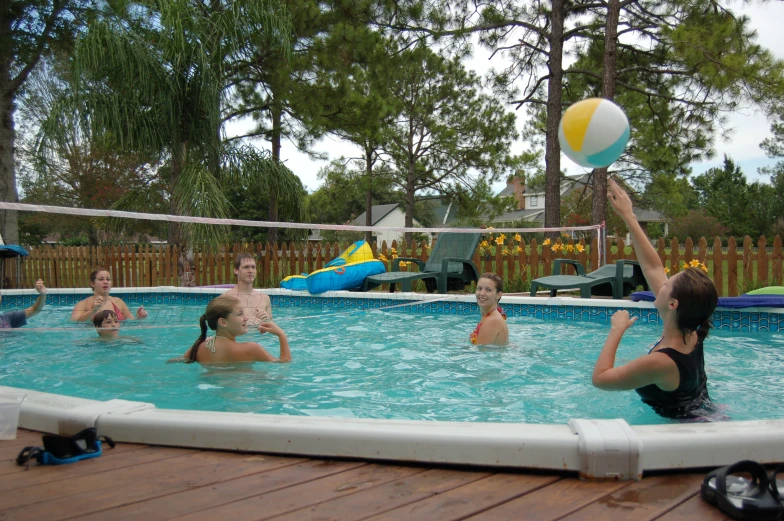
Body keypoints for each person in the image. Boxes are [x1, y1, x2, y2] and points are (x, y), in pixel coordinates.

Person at [592, 179, 718, 419]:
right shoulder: (693, 329)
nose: (661, 283)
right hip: (707, 414)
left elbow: (601, 379)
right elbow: (653, 266)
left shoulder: (662, 361)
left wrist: (617, 330)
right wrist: (629, 216)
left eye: (667, 284)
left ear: (673, 304)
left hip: (685, 432)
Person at [181, 295, 291, 364]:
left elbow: (181, 359)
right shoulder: (251, 349)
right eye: (240, 314)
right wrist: (281, 335)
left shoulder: (199, 347)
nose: (246, 318)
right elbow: (284, 364)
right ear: (223, 322)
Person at [71, 268, 148, 322]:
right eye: (101, 279)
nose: (105, 282)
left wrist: (139, 318)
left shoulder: (118, 302)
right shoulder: (83, 304)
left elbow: (131, 322)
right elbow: (74, 322)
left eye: (108, 279)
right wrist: (93, 311)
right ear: (92, 283)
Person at [223, 253, 272, 327]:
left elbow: (271, 327)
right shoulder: (226, 298)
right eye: (246, 267)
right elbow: (221, 327)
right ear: (236, 270)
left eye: (253, 267)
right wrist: (244, 324)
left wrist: (267, 319)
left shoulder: (265, 298)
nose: (250, 270)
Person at [469, 273, 509, 346]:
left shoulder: (492, 321)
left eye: (488, 290)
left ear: (498, 295)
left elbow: (480, 354)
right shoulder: (492, 314)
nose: (482, 293)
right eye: (479, 288)